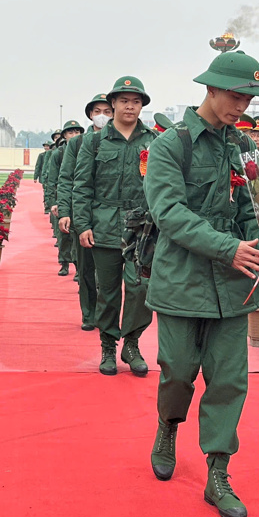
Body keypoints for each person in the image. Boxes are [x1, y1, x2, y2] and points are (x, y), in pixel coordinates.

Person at [145, 51, 259, 517]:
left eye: (249, 98)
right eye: (236, 96)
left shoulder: (238, 147)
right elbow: (169, 213)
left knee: (229, 379)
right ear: (212, 89)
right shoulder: (170, 145)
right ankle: (167, 426)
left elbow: (247, 211)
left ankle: (218, 472)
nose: (242, 106)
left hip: (233, 283)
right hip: (182, 277)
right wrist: (229, 248)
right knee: (177, 370)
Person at [73, 77, 156, 376]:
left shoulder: (153, 141)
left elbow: (161, 185)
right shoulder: (94, 141)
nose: (130, 106)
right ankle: (108, 345)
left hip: (142, 228)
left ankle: (131, 342)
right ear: (113, 105)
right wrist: (82, 223)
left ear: (142, 105)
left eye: (136, 101)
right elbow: (82, 185)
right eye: (124, 100)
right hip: (104, 225)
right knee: (107, 291)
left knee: (142, 286)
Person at [58, 94, 113, 331]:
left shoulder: (121, 140)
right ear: (90, 115)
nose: (103, 116)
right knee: (87, 268)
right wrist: (65, 211)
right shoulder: (77, 143)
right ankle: (89, 313)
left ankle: (107, 315)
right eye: (98, 111)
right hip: (85, 213)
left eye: (108, 111)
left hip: (112, 215)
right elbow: (67, 178)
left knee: (110, 273)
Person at [47, 120, 85, 276]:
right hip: (63, 198)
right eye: (70, 132)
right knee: (64, 234)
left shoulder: (86, 149)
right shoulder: (59, 153)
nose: (74, 135)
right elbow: (53, 179)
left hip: (80, 199)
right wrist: (52, 202)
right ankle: (64, 263)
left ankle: (77, 266)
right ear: (64, 136)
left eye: (77, 132)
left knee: (78, 235)